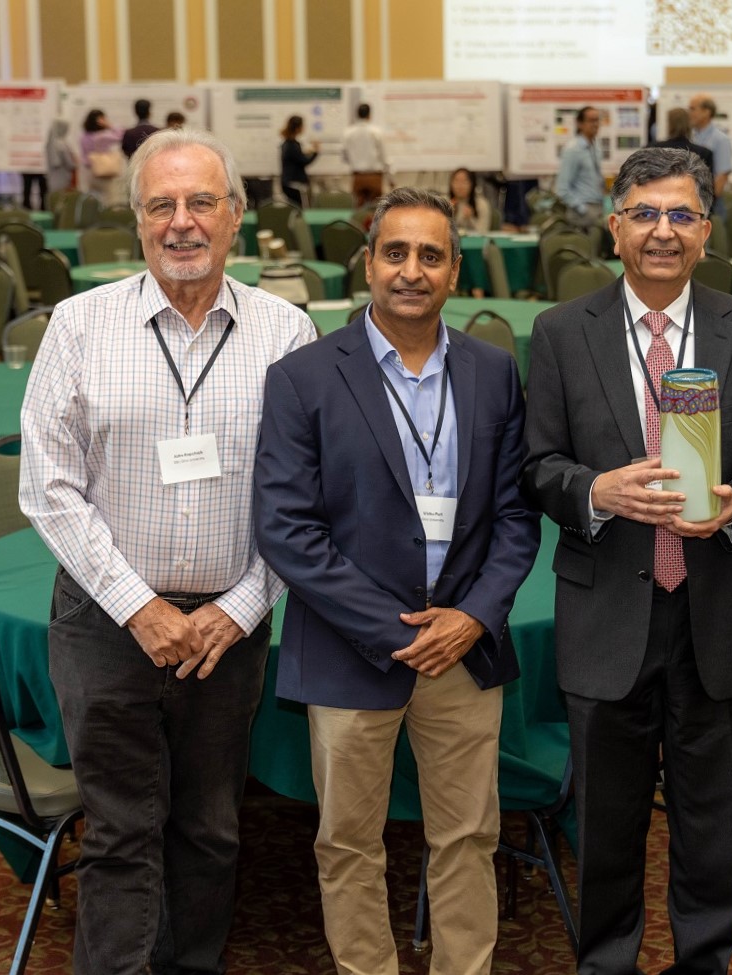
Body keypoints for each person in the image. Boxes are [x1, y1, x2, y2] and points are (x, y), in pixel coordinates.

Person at [17, 127, 315, 975]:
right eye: (161, 205)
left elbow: (305, 497)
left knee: (212, 827)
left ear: (236, 218)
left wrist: (241, 607)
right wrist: (139, 606)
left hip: (230, 626)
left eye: (201, 203)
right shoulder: (78, 324)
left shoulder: (286, 333)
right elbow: (47, 486)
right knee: (117, 831)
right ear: (137, 219)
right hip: (105, 621)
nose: (181, 222)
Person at [522, 146, 732, 975]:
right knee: (606, 819)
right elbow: (537, 467)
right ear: (614, 227)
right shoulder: (562, 332)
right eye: (645, 214)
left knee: (712, 818)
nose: (662, 231)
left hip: (712, 607)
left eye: (681, 215)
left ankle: (703, 960)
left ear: (706, 231)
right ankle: (607, 960)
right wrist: (598, 490)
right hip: (607, 606)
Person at [253, 186, 539, 975]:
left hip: (464, 650)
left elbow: (517, 517)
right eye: (395, 253)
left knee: (469, 836)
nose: (411, 271)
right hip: (353, 653)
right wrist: (392, 631)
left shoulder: (493, 372)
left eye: (431, 256)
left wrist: (473, 618)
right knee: (347, 841)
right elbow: (287, 530)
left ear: (455, 274)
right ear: (368, 263)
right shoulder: (303, 377)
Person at [556, 105, 603, 231]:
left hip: (597, 208)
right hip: (582, 214)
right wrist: (583, 209)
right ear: (580, 124)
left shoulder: (595, 147)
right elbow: (562, 189)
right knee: (586, 249)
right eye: (591, 120)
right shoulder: (573, 150)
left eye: (597, 120)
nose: (596, 124)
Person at [688, 93, 732, 214]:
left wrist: (708, 203)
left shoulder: (720, 139)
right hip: (691, 202)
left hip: (711, 205)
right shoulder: (690, 136)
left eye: (693, 109)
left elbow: (722, 176)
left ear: (706, 112)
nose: (689, 113)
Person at [340, 101, 388, 208]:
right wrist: (390, 177)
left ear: (357, 114)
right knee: (376, 210)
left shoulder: (348, 133)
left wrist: (354, 161)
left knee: (358, 209)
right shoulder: (376, 132)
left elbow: (344, 155)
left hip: (358, 176)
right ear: (370, 115)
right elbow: (383, 156)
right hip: (375, 176)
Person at [79, 108, 125, 205]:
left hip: (89, 172)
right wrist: (109, 125)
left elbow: (84, 156)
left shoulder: (84, 137)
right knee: (109, 199)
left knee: (92, 200)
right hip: (103, 171)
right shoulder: (102, 136)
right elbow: (121, 135)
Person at [650, 106, 713, 174]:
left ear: (670, 125)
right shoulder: (703, 153)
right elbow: (708, 182)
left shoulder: (654, 149)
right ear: (688, 124)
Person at [279, 115, 319, 208]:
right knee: (299, 209)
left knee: (294, 208)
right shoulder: (292, 145)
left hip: (288, 182)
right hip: (294, 184)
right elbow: (304, 161)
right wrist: (316, 152)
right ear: (298, 128)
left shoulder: (287, 143)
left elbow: (297, 157)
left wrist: (307, 152)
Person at [447, 167, 492, 233]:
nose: (460, 185)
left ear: (472, 184)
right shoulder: (446, 203)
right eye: (456, 181)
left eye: (464, 181)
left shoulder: (481, 204)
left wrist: (470, 219)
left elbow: (483, 232)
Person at [45, 119, 77, 197]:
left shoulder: (50, 143)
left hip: (52, 178)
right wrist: (77, 164)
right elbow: (70, 164)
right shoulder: (61, 145)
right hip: (63, 177)